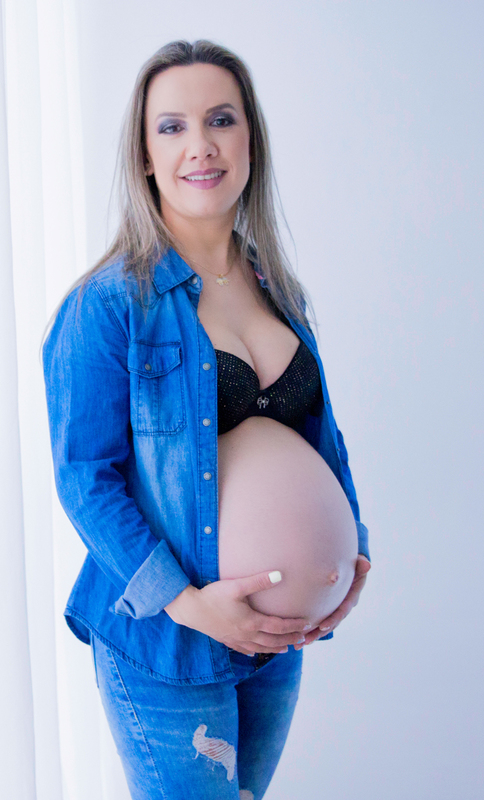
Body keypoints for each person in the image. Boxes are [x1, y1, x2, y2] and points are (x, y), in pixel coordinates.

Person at [41, 39, 371, 800]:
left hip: (272, 646)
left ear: (249, 139)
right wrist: (190, 604)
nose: (201, 145)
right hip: (169, 642)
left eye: (221, 119)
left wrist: (350, 555)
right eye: (172, 127)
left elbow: (323, 442)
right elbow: (86, 481)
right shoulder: (109, 304)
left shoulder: (277, 289)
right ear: (144, 155)